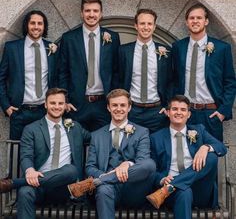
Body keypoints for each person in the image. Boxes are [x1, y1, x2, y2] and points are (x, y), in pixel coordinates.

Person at [0, 88, 90, 219]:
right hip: (38, 187)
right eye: (53, 103)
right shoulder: (31, 129)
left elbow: (98, 138)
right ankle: (21, 184)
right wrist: (30, 170)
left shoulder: (75, 127)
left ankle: (15, 183)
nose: (57, 107)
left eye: (60, 103)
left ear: (65, 106)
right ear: (46, 104)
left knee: (71, 170)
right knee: (25, 192)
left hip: (66, 188)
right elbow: (26, 155)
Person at [67, 89, 156, 219]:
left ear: (129, 107)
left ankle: (99, 181)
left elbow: (143, 162)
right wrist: (106, 175)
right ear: (108, 107)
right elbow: (90, 167)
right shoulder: (96, 135)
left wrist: (128, 164)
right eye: (114, 105)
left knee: (150, 164)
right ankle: (103, 181)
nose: (118, 109)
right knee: (103, 190)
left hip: (133, 189)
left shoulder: (142, 132)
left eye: (122, 105)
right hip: (108, 190)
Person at [146, 95, 227, 219]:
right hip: (173, 196)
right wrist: (162, 179)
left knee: (211, 157)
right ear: (168, 112)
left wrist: (205, 147)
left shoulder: (199, 130)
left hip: (200, 191)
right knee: (184, 192)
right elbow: (152, 170)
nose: (179, 112)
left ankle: (172, 186)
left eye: (183, 110)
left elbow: (221, 148)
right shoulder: (156, 138)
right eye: (175, 109)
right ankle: (172, 187)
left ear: (189, 114)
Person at [172, 3, 236, 141]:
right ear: (187, 22)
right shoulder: (178, 47)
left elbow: (230, 82)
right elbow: (173, 79)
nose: (195, 21)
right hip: (185, 112)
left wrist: (222, 111)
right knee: (185, 154)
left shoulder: (221, 48)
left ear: (206, 21)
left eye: (199, 18)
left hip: (211, 113)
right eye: (191, 18)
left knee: (211, 156)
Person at [58, 0, 121, 131]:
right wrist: (65, 101)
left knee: (102, 147)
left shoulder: (113, 38)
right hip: (77, 104)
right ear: (82, 13)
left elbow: (116, 72)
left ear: (101, 13)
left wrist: (114, 101)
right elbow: (62, 72)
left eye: (95, 11)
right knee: (75, 146)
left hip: (103, 105)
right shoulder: (69, 39)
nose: (91, 14)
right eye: (87, 11)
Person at [0, 10, 58, 140]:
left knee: (43, 153)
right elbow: (1, 78)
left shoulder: (52, 48)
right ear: (27, 25)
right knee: (17, 153)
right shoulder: (12, 48)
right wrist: (6, 106)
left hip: (45, 112)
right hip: (19, 111)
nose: (36, 27)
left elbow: (59, 77)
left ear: (44, 26)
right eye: (33, 23)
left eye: (40, 23)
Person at [119, 9, 172, 133]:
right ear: (136, 26)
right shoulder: (124, 51)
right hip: (133, 110)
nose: (146, 27)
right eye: (142, 23)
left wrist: (167, 106)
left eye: (149, 24)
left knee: (156, 149)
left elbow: (171, 80)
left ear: (154, 27)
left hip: (157, 111)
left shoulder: (167, 52)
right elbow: (118, 79)